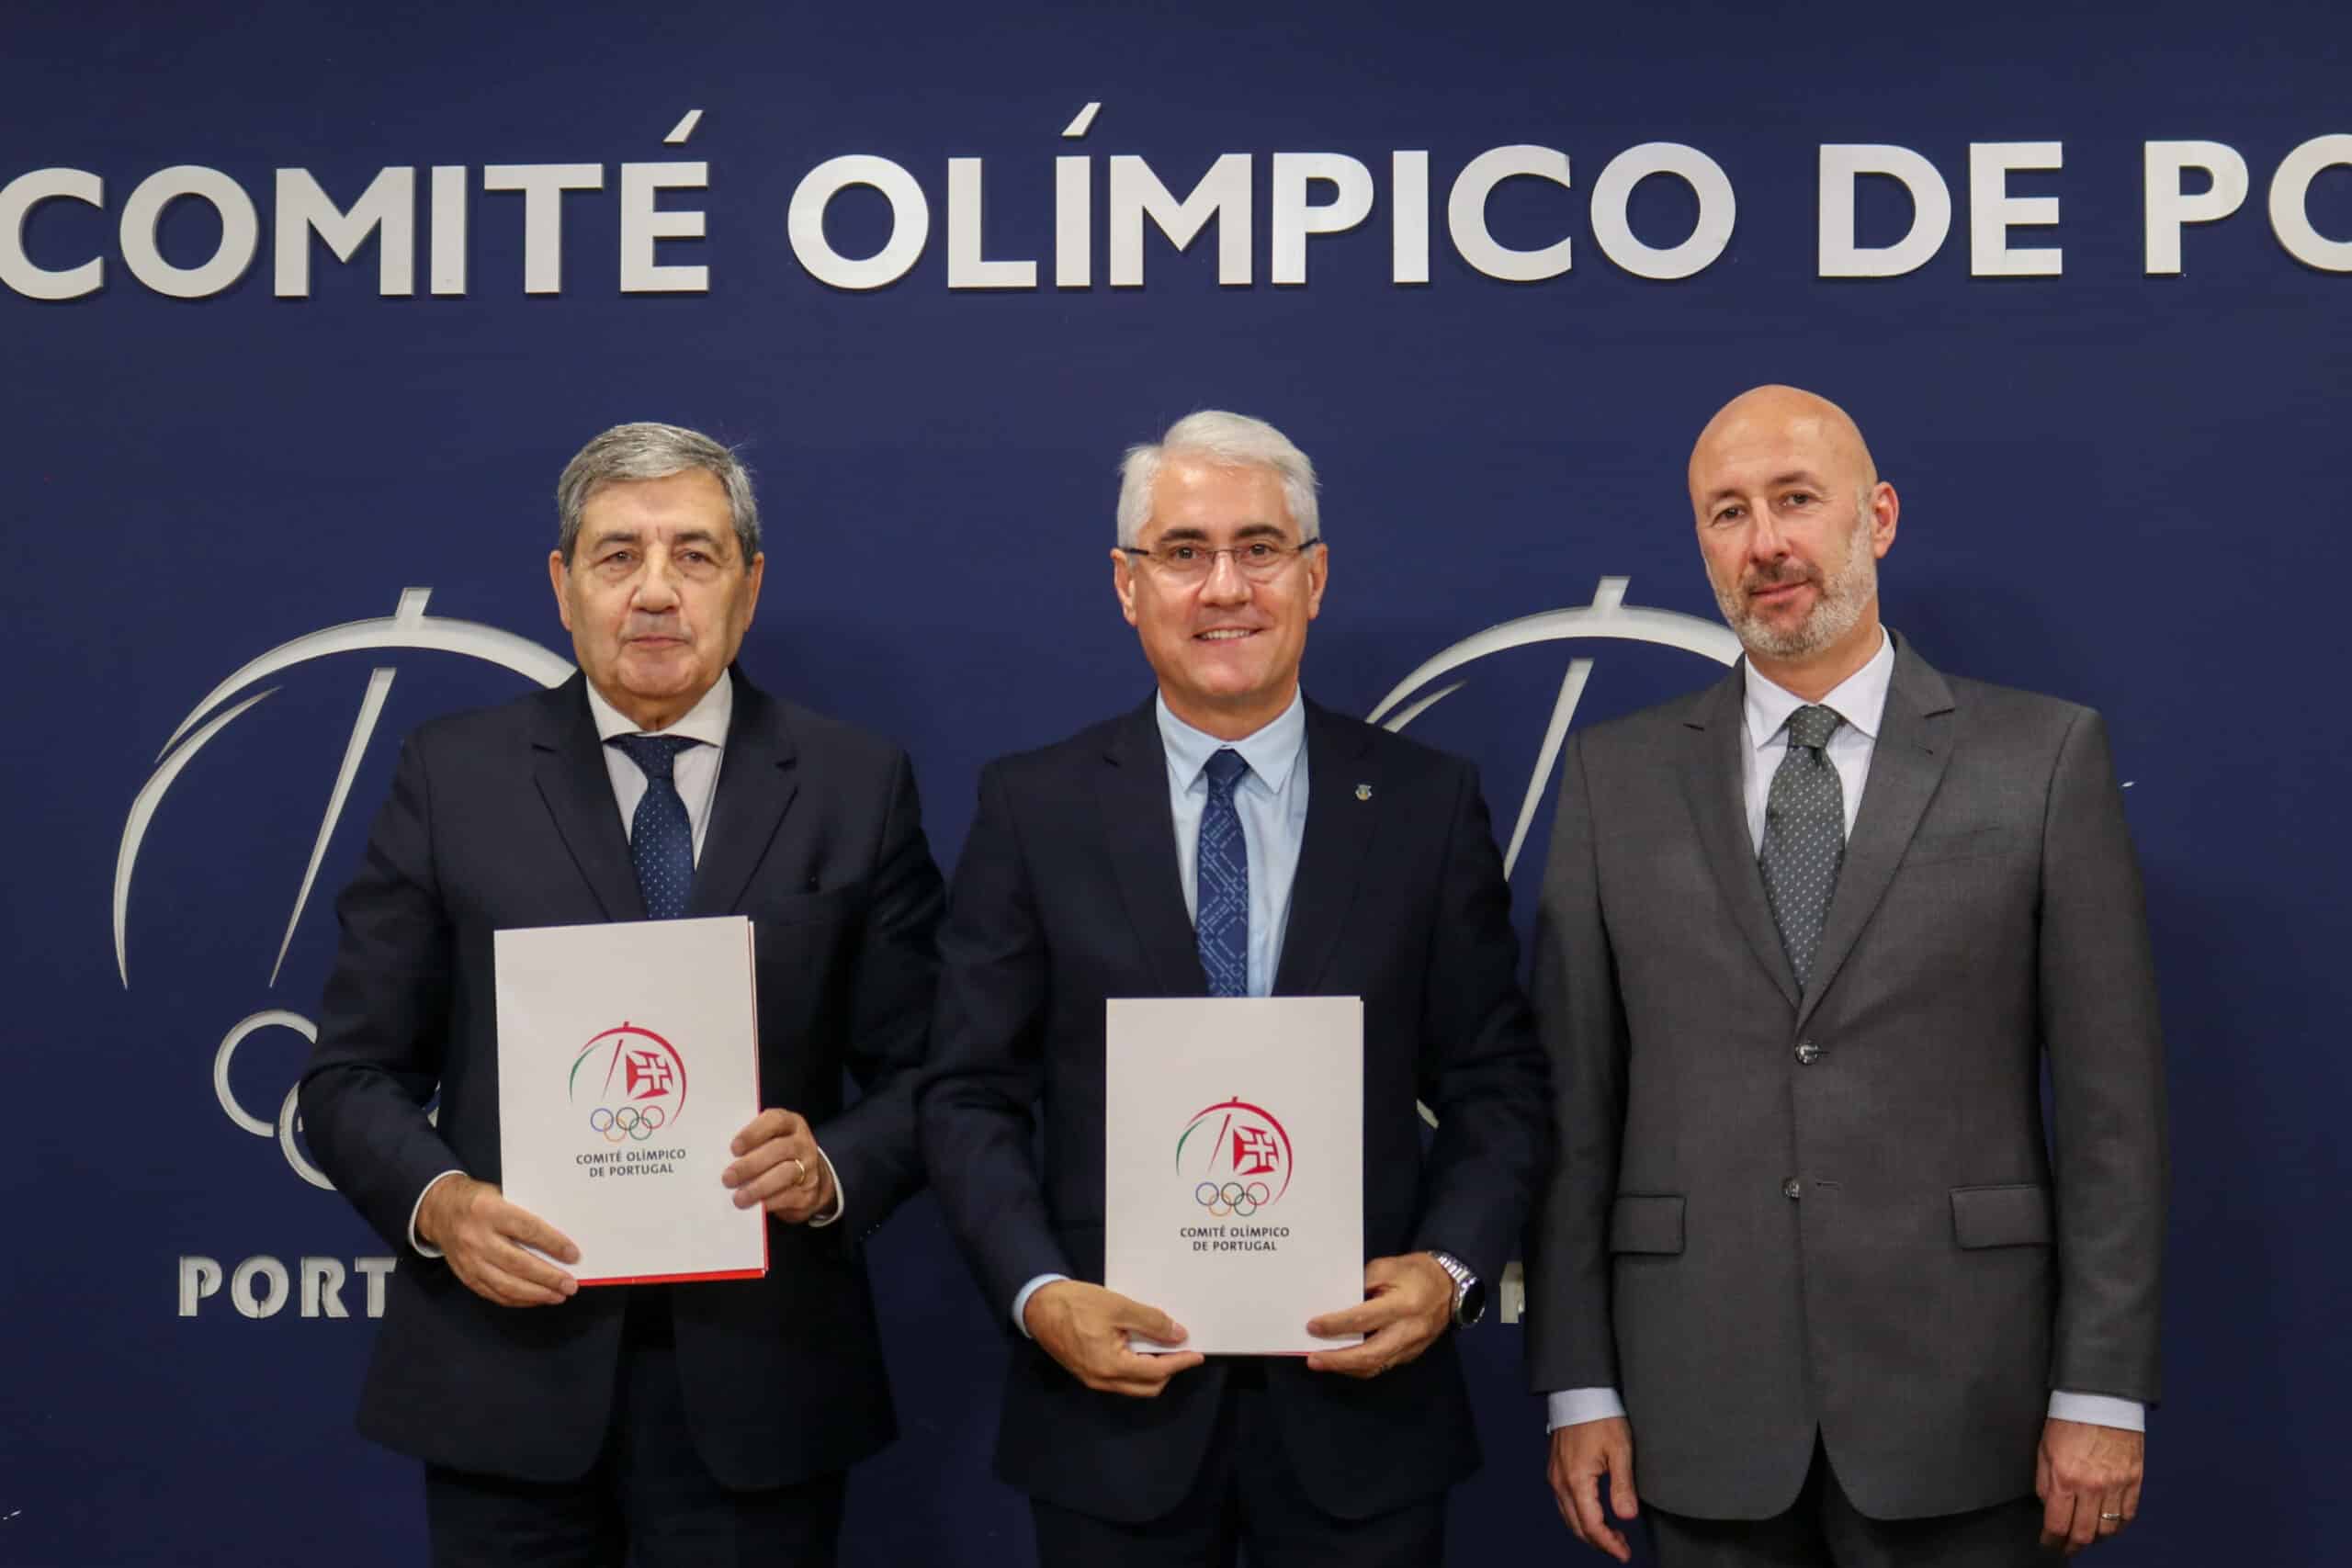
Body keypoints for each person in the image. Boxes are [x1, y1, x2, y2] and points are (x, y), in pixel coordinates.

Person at [1524, 385, 2167, 1564]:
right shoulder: (1611, 782)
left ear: (1876, 517)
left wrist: (2102, 1391)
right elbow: (1576, 1114)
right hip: (1694, 1404)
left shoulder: (2041, 758)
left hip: (1969, 1402)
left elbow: (2110, 1113)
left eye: (1794, 501)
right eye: (1726, 513)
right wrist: (1577, 1384)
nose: (1763, 542)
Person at [298, 422, 944, 1567]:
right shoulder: (453, 775)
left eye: (693, 556)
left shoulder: (855, 783)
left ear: (748, 587)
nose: (655, 592)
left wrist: (831, 1165)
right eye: (616, 556)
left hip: (763, 1389)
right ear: (562, 585)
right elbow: (348, 1077)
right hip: (507, 1382)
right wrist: (442, 1204)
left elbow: (931, 1073)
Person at [918, 410, 1549, 1565]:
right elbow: (967, 1094)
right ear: (1126, 585)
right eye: (1184, 551)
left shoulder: (1422, 804)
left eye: (1259, 550)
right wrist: (1039, 1291)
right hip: (1113, 1418)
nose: (1225, 588)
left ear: (1314, 580)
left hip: (1364, 1416)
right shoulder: (1034, 807)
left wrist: (1450, 1270)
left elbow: (1496, 1082)